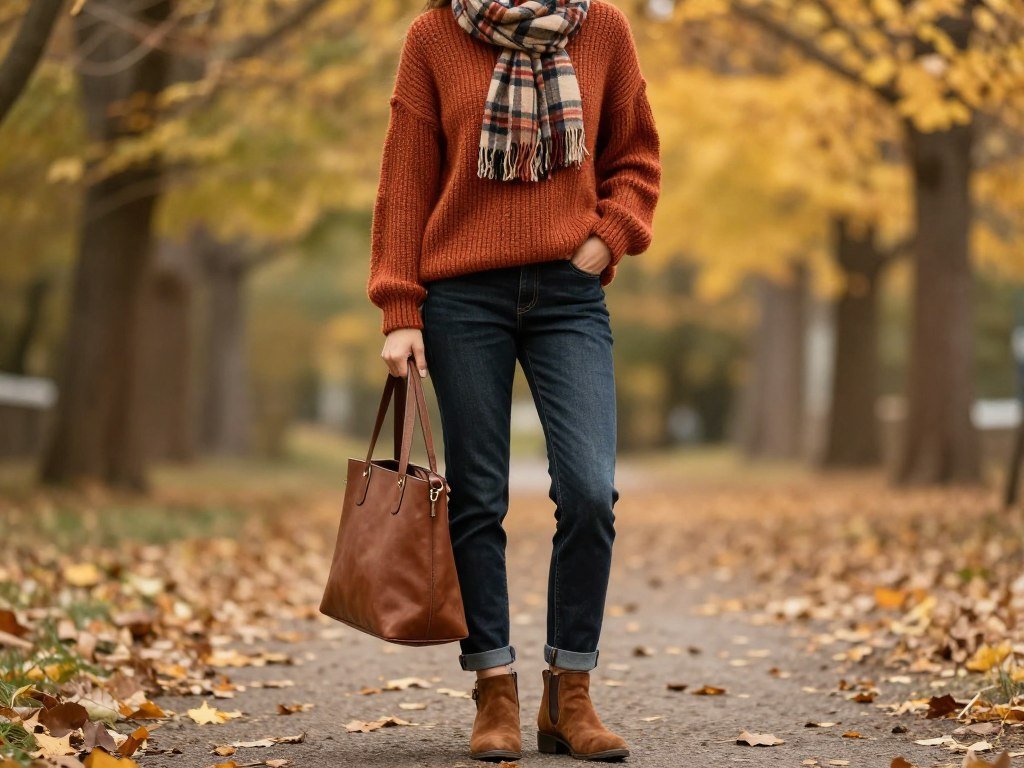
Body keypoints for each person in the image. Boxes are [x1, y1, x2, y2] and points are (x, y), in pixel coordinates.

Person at [367, 0, 661, 760]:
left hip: (569, 293)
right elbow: (405, 178)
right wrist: (399, 306)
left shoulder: (603, 28)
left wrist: (609, 237)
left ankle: (570, 693)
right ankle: (493, 688)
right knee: (477, 496)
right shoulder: (434, 35)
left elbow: (636, 155)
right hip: (463, 296)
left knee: (590, 491)